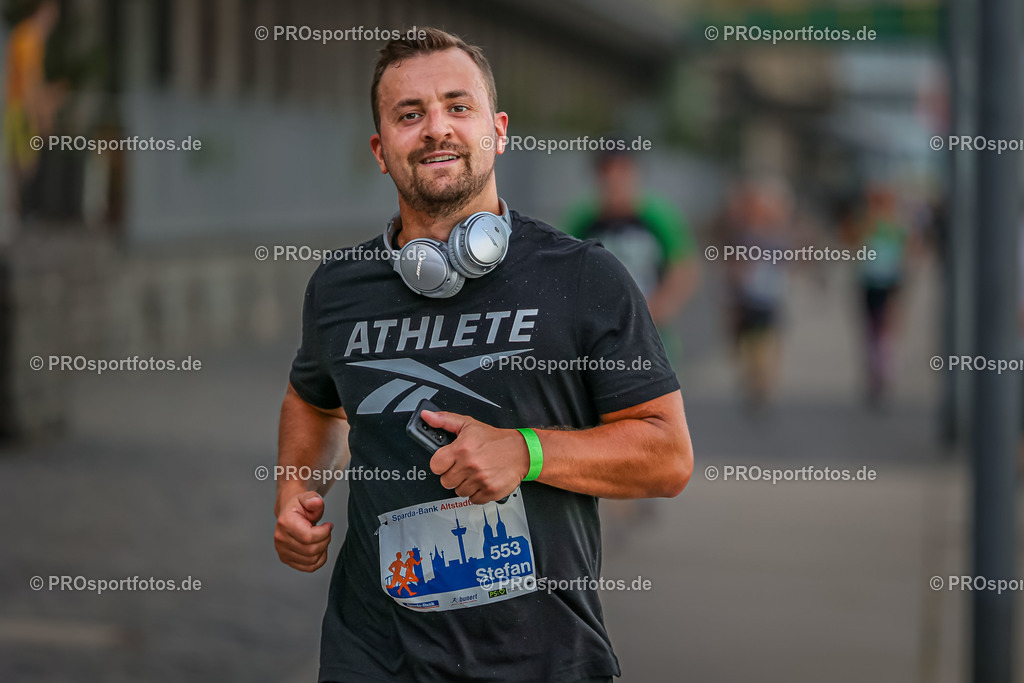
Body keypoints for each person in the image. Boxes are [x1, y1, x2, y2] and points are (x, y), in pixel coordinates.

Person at [273, 28, 693, 683]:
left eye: (456, 106)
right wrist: (297, 489)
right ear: (382, 151)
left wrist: (526, 451)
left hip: (541, 658)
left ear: (497, 130)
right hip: (372, 655)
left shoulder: (584, 278)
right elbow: (314, 400)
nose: (436, 127)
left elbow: (668, 455)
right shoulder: (338, 289)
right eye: (410, 114)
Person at [562, 149, 699, 336]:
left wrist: (656, 308)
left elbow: (683, 267)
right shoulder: (583, 220)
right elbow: (562, 267)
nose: (614, 178)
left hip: (649, 334)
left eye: (622, 169)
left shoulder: (657, 217)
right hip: (598, 331)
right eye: (606, 170)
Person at [2, 0, 63, 221]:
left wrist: (47, 96)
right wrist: (37, 111)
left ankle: (16, 211)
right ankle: (15, 212)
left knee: (24, 162)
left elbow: (33, 79)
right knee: (23, 162)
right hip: (20, 108)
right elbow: (27, 80)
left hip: (21, 107)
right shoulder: (28, 38)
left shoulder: (31, 39)